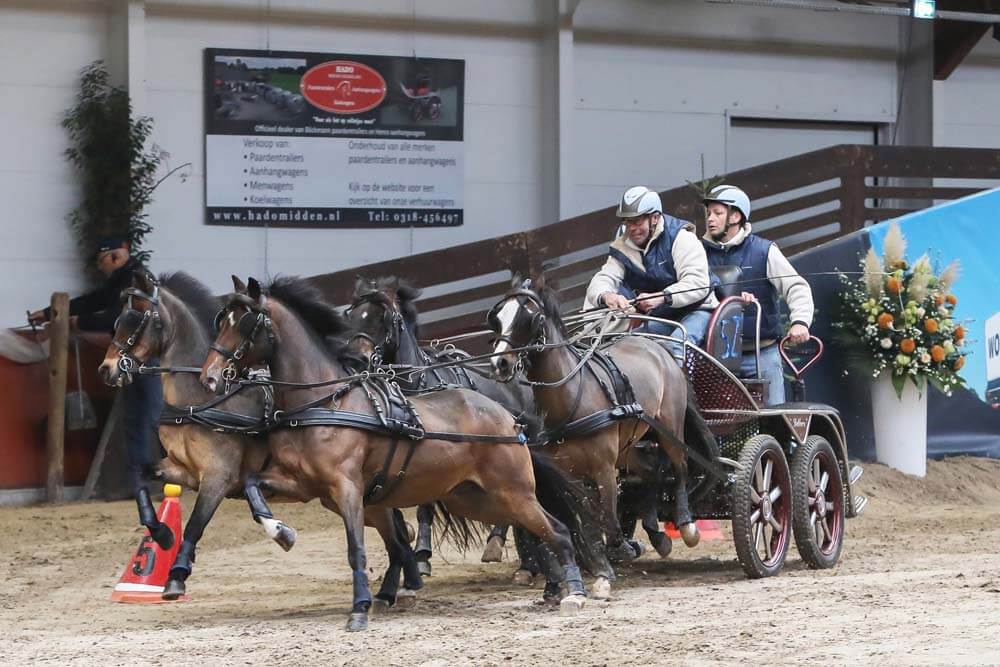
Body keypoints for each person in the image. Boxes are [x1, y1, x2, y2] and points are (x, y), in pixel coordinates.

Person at [30, 235, 163, 496]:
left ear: (114, 257)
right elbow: (96, 301)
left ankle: (164, 476)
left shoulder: (135, 281)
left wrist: (75, 323)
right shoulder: (126, 278)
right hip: (132, 358)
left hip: (146, 357)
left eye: (102, 262)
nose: (101, 268)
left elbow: (115, 316)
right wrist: (51, 312)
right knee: (137, 417)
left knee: (152, 416)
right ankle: (140, 482)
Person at [700, 185, 814, 405]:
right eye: (708, 213)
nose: (710, 219)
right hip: (714, 359)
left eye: (717, 213)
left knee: (775, 421)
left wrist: (800, 322)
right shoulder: (697, 252)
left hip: (763, 354)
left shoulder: (764, 250)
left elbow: (796, 287)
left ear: (735, 216)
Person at [586, 185, 717, 357]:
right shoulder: (623, 245)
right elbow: (605, 276)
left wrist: (662, 297)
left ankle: (685, 385)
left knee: (676, 347)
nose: (631, 228)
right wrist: (606, 296)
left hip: (699, 309)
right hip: (665, 315)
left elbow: (698, 283)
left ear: (655, 218)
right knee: (632, 345)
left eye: (637, 221)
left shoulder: (681, 237)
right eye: (627, 222)